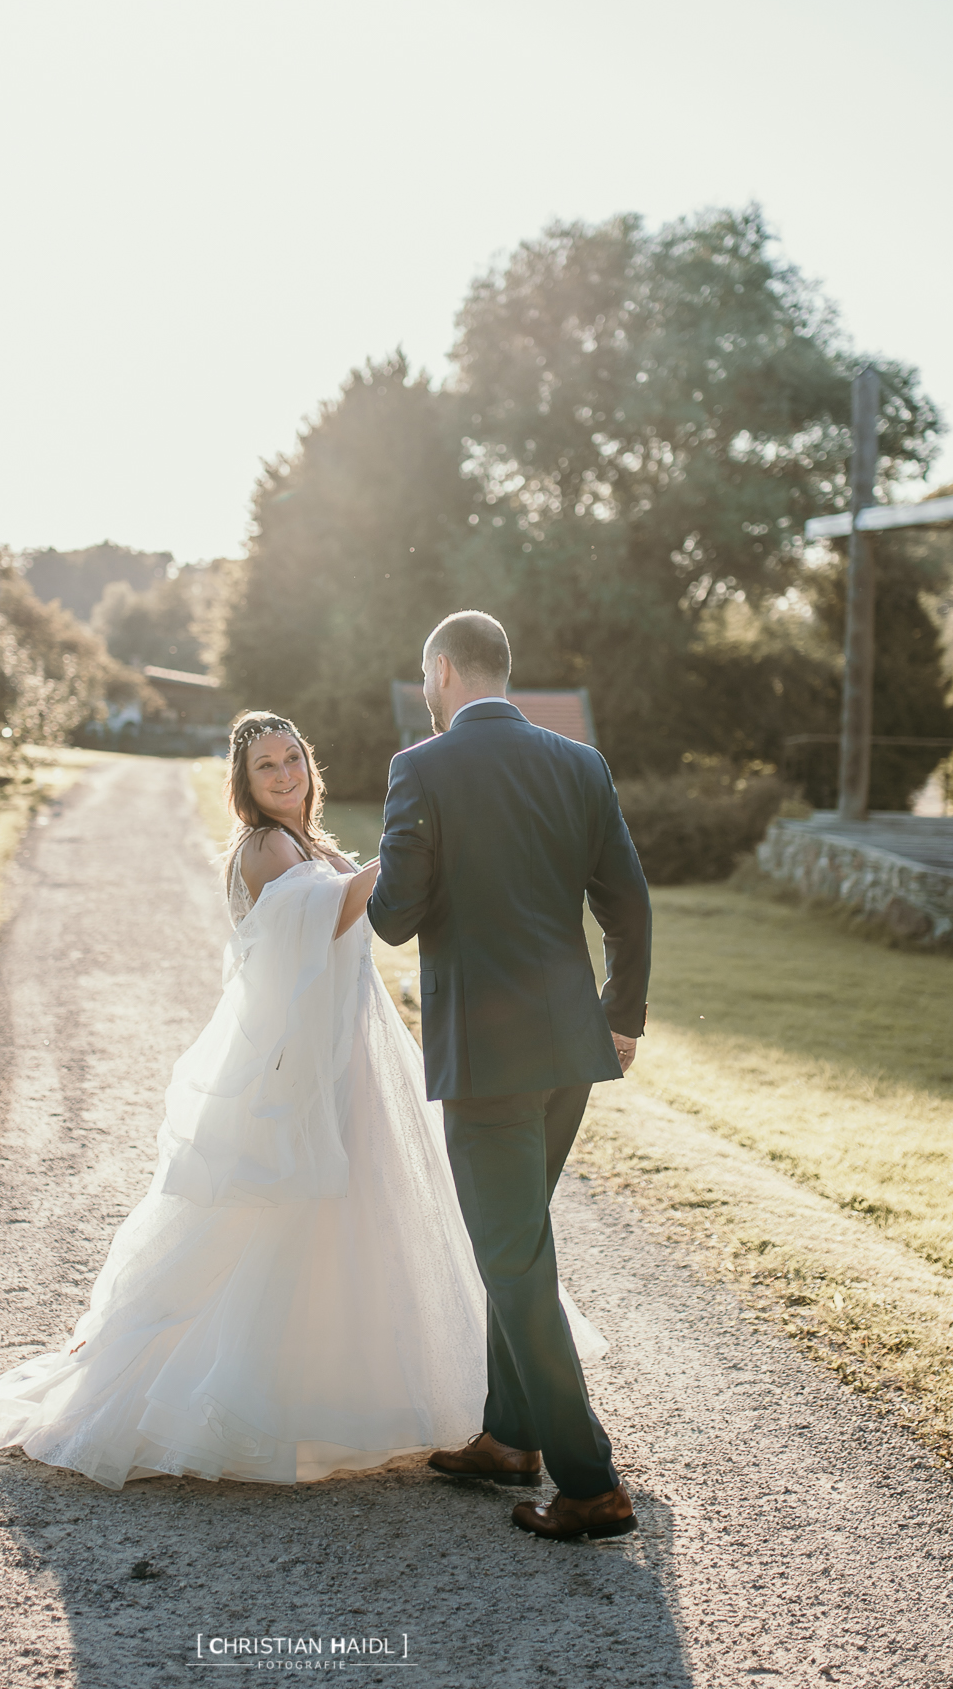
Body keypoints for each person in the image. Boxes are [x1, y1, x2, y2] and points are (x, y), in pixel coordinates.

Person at [0, 709, 597, 1487]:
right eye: (267, 768)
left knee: (352, 1225)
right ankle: (221, 1398)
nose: (285, 774)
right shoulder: (265, 847)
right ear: (244, 786)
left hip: (344, 1054)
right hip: (298, 1065)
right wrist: (414, 841)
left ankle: (382, 1394)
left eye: (293, 759)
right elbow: (324, 914)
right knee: (269, 1224)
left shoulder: (308, 842)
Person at [368, 610, 651, 1542]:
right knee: (515, 1242)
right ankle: (509, 1435)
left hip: (486, 1060)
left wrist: (365, 874)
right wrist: (622, 1019)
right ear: (503, 671)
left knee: (514, 1260)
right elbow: (627, 903)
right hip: (570, 1051)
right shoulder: (580, 764)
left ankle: (590, 1481)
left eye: (426, 678)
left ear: (441, 671)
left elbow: (395, 917)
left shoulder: (421, 767)